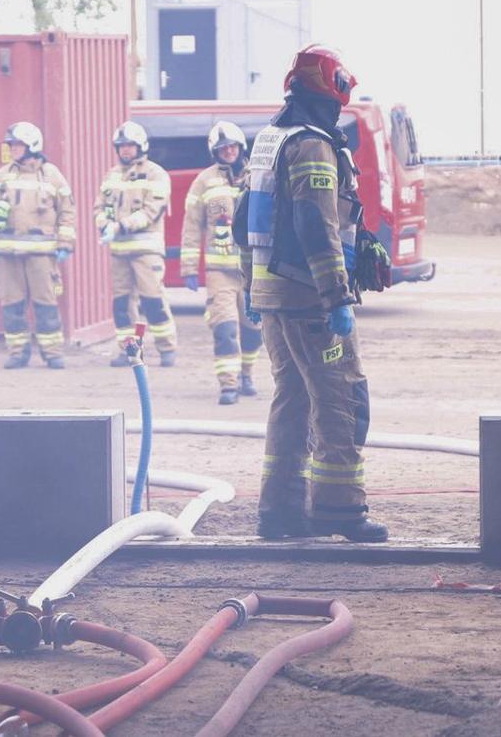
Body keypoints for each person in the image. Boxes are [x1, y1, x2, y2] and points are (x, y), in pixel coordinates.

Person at [243, 44, 383, 543]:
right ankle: (340, 510)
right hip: (310, 301)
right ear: (332, 89)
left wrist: (250, 288)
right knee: (341, 396)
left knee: (293, 399)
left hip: (273, 295)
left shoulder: (269, 140)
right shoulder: (313, 146)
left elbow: (249, 222)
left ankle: (279, 512)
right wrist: (337, 296)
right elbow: (315, 226)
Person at [0, 121, 74, 369]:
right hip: (9, 255)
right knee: (12, 305)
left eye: (18, 145)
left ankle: (52, 353)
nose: (13, 149)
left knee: (46, 305)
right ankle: (18, 353)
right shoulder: (2, 177)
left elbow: (67, 213)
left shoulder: (52, 176)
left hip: (42, 256)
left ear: (32, 146)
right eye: (12, 145)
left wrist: (65, 243)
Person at [182, 120, 263, 404]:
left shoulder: (259, 175)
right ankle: (228, 385)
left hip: (253, 270)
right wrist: (189, 267)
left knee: (254, 330)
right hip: (220, 271)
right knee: (225, 328)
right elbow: (192, 225)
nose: (228, 152)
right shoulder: (204, 181)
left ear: (241, 147)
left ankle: (246, 374)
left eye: (232, 147)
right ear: (214, 152)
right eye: (222, 149)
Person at [96, 120, 177, 366]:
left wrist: (120, 226)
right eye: (121, 146)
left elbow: (151, 210)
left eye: (130, 146)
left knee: (153, 300)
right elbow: (99, 206)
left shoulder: (156, 174)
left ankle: (167, 348)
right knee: (121, 304)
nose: (125, 150)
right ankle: (129, 351)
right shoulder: (112, 175)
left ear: (140, 146)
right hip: (119, 251)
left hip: (146, 250)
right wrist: (102, 222)